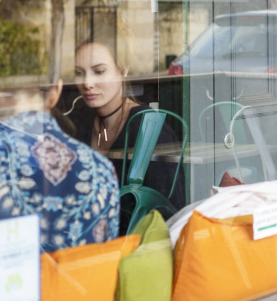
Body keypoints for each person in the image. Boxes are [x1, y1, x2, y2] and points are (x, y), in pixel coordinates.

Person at [60, 41, 186, 226]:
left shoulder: (150, 130)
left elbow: (170, 214)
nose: (87, 83)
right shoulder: (79, 124)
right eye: (79, 73)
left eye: (99, 71)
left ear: (123, 70)